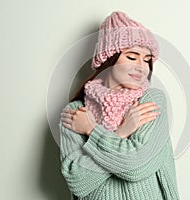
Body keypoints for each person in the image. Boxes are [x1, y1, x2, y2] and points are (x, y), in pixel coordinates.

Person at [59, 11, 180, 200]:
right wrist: (121, 133)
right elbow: (77, 181)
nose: (141, 66)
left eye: (147, 59)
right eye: (132, 57)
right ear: (109, 60)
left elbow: (137, 166)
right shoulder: (75, 113)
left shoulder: (151, 101)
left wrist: (92, 129)